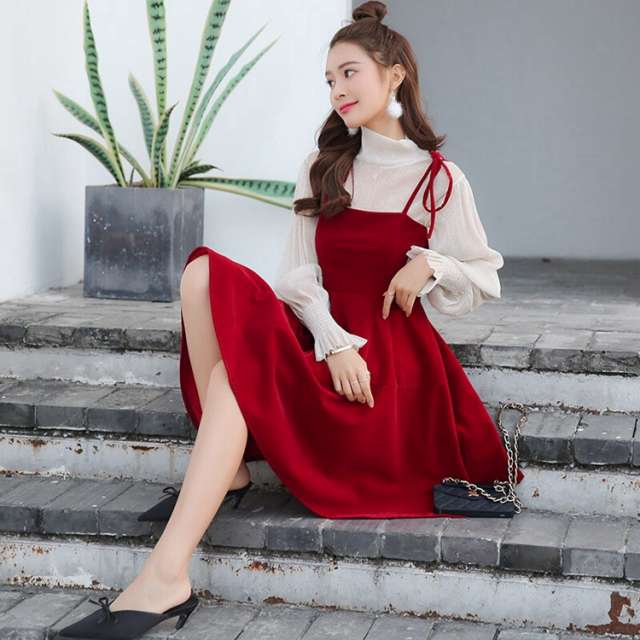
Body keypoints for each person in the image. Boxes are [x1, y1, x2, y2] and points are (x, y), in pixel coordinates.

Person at [56, 2, 524, 638]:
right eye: (329, 80)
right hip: (328, 338)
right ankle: (224, 480)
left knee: (232, 381)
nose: (336, 91)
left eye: (349, 73)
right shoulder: (324, 166)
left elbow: (486, 274)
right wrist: (332, 340)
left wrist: (433, 264)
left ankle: (167, 573)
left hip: (385, 370)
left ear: (395, 76)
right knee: (202, 273)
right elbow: (297, 276)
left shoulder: (439, 181)